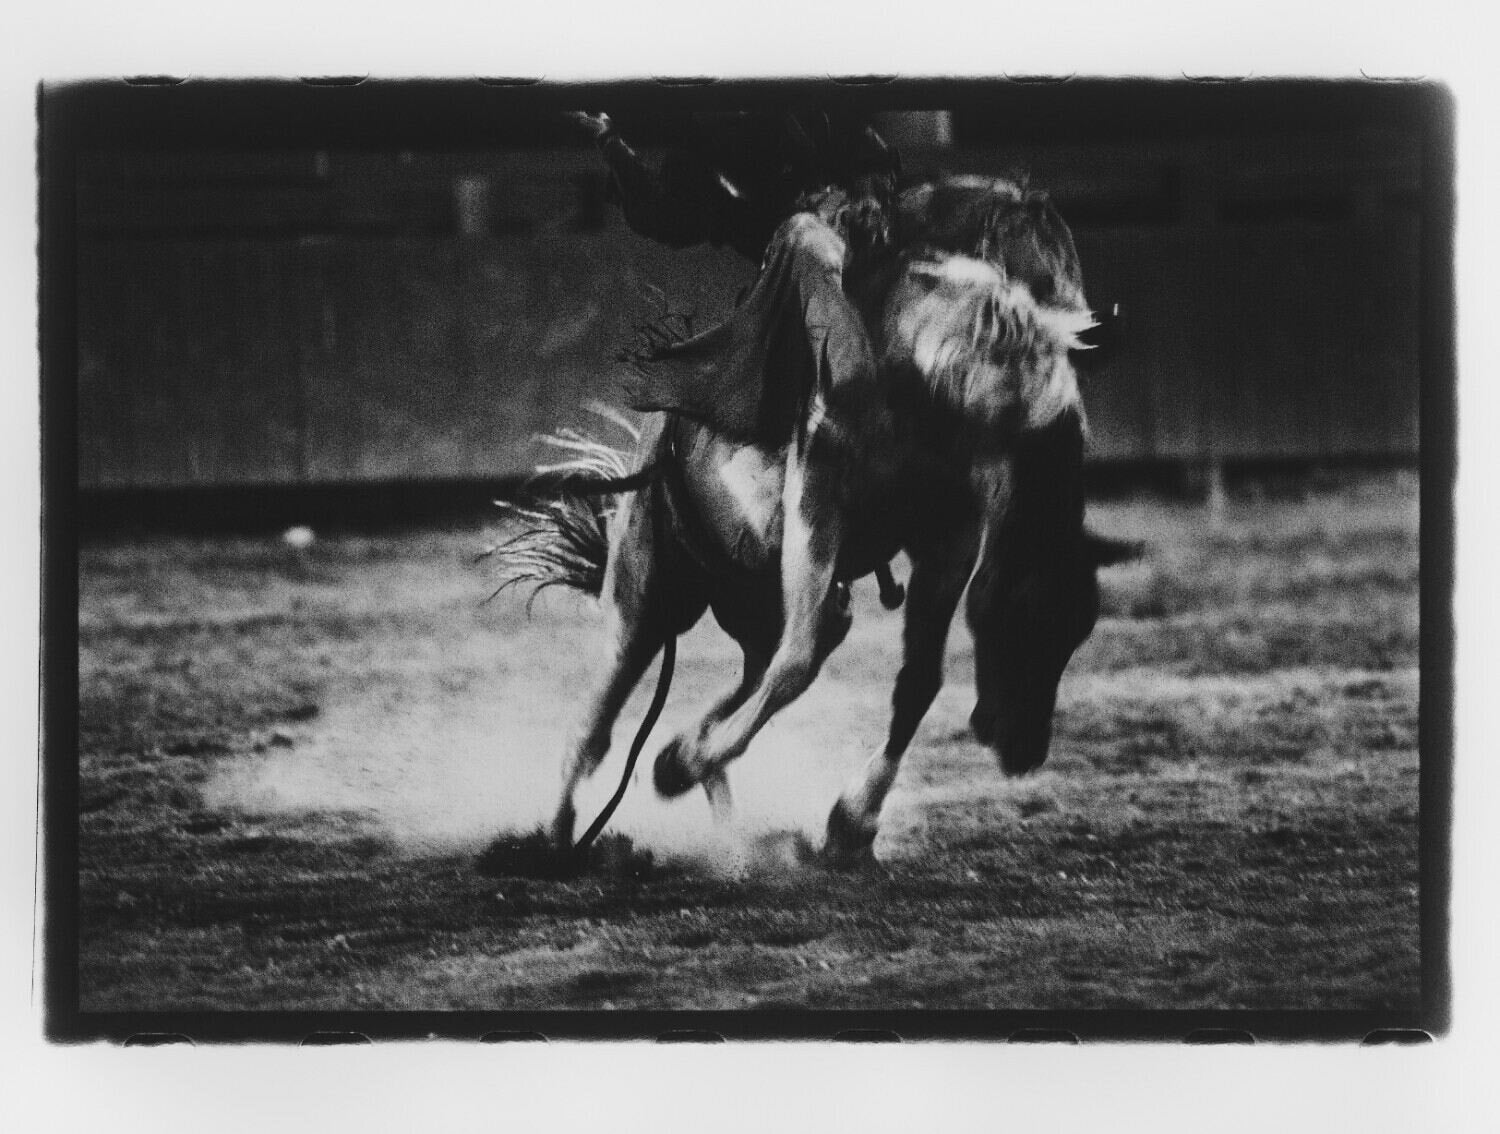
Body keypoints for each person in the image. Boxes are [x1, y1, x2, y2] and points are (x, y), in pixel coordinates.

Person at [567, 108, 901, 265]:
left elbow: (868, 153)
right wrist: (610, 142)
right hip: (792, 269)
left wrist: (868, 198)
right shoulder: (700, 160)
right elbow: (665, 215)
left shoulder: (805, 109)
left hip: (862, 235)